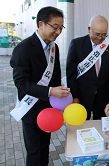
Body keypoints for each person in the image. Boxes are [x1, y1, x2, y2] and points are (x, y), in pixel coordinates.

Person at [10, 6, 70, 166]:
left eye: (61, 28)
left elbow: (56, 77)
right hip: (31, 110)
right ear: (41, 24)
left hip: (48, 110)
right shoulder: (23, 49)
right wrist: (51, 91)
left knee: (45, 148)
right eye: (55, 27)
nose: (58, 32)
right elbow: (21, 84)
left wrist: (61, 94)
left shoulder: (54, 48)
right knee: (34, 152)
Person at [66, 15, 109, 120]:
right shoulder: (77, 44)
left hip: (103, 95)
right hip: (82, 95)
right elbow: (70, 73)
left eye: (104, 34)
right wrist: (74, 96)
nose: (100, 37)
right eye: (97, 34)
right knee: (81, 124)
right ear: (89, 29)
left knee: (101, 124)